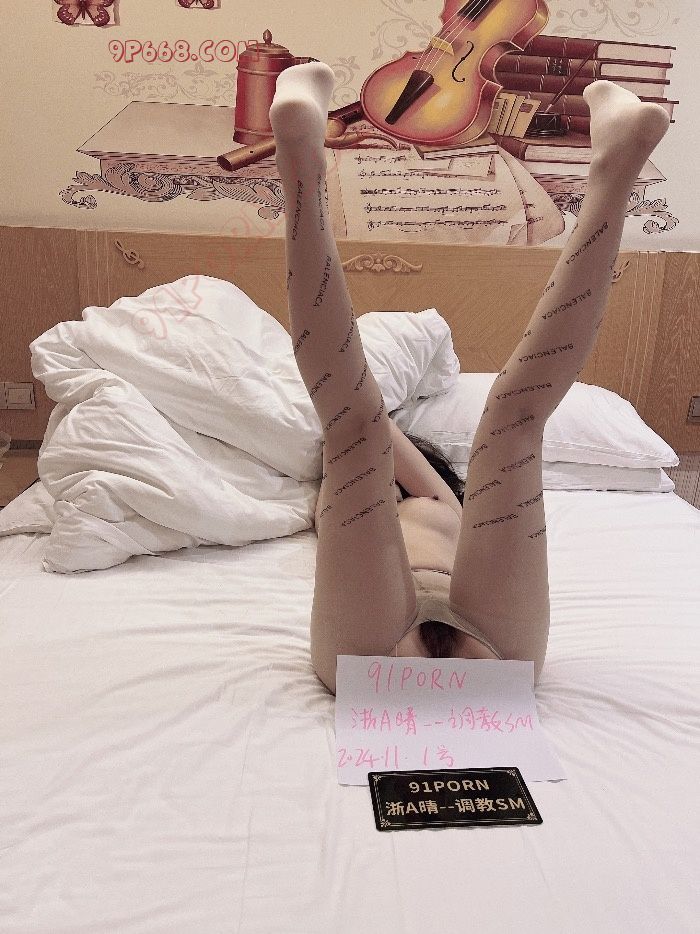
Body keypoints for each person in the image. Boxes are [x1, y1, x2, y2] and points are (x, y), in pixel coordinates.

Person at [269, 62, 670, 695]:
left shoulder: (387, 505)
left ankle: (300, 164)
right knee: (494, 422)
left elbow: (372, 433)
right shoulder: (441, 503)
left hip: (380, 641)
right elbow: (374, 433)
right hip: (476, 629)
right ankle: (615, 170)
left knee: (369, 429)